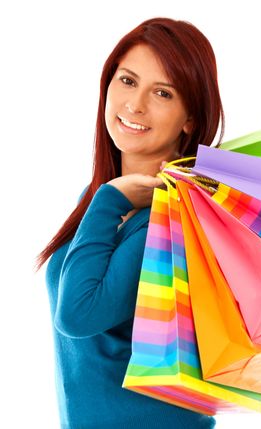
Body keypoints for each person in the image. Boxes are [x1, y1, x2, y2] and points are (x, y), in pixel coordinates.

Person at [34, 17, 224, 429]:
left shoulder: (172, 218)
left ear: (190, 118)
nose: (135, 105)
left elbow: (77, 316)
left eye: (162, 92)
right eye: (127, 81)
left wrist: (109, 200)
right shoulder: (101, 196)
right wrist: (107, 197)